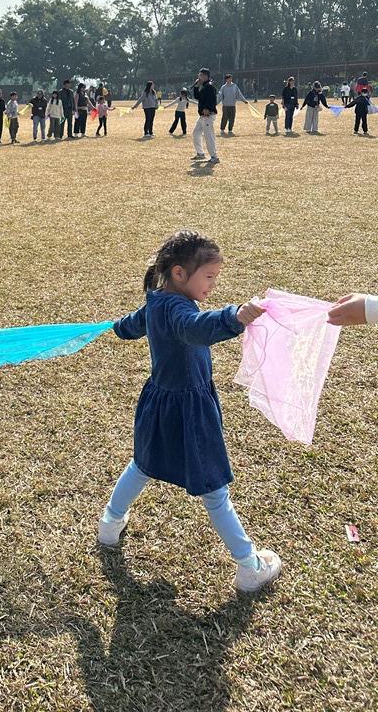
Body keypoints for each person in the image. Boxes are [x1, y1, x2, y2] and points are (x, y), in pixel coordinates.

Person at [98, 229, 280, 592]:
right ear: (179, 273)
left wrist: (117, 327)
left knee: (142, 465)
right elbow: (196, 328)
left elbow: (131, 326)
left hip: (158, 402)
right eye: (208, 276)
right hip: (190, 411)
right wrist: (234, 317)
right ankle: (249, 566)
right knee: (214, 490)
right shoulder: (179, 309)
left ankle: (109, 524)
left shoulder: (156, 302)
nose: (213, 284)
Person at [191, 68, 219, 163]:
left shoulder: (209, 86)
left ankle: (214, 156)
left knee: (209, 136)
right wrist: (196, 86)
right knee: (196, 134)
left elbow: (213, 100)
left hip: (208, 115)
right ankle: (200, 153)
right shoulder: (204, 86)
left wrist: (208, 109)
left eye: (200, 75)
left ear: (206, 76)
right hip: (202, 116)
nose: (199, 77)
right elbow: (197, 97)